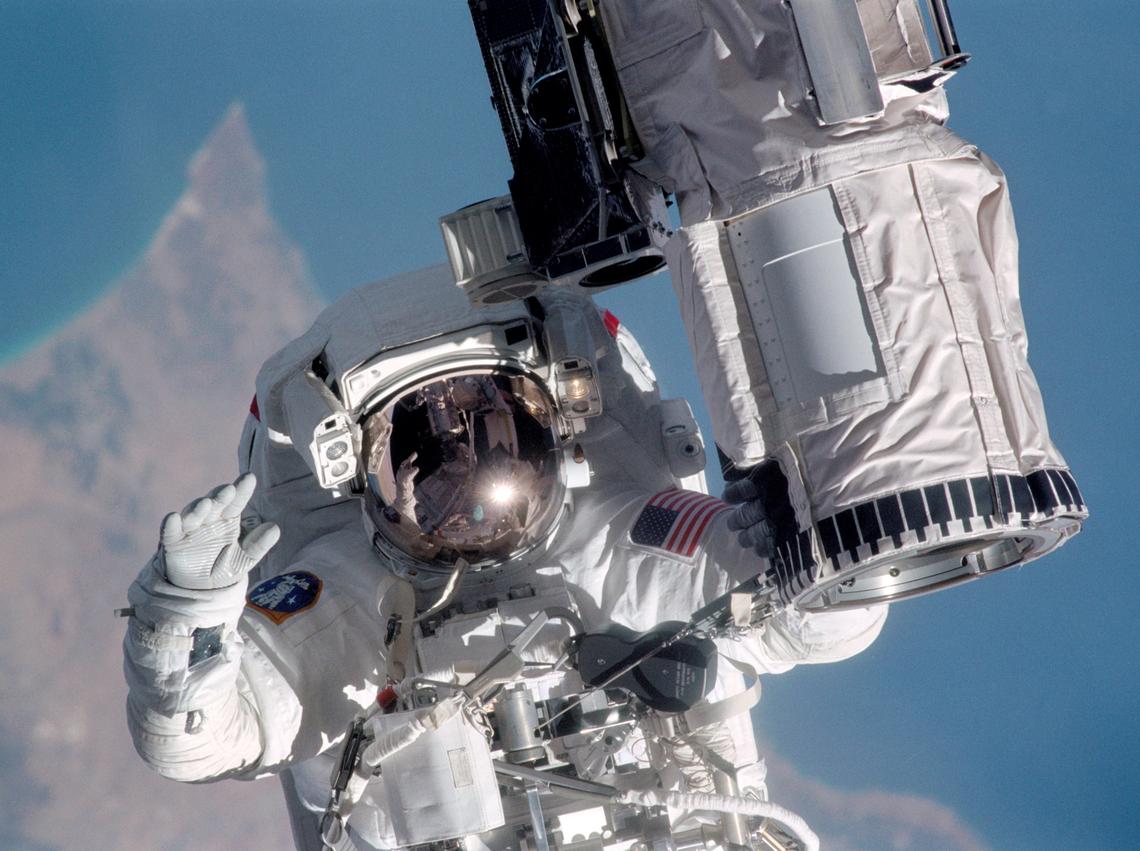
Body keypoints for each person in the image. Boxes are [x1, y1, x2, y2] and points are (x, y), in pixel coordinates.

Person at [122, 267, 887, 850]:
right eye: (421, 449)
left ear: (554, 426)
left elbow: (820, 612)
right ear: (357, 474)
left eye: (492, 431)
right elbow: (198, 732)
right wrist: (184, 622)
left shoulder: (620, 535)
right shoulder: (346, 589)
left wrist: (817, 525)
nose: (465, 485)